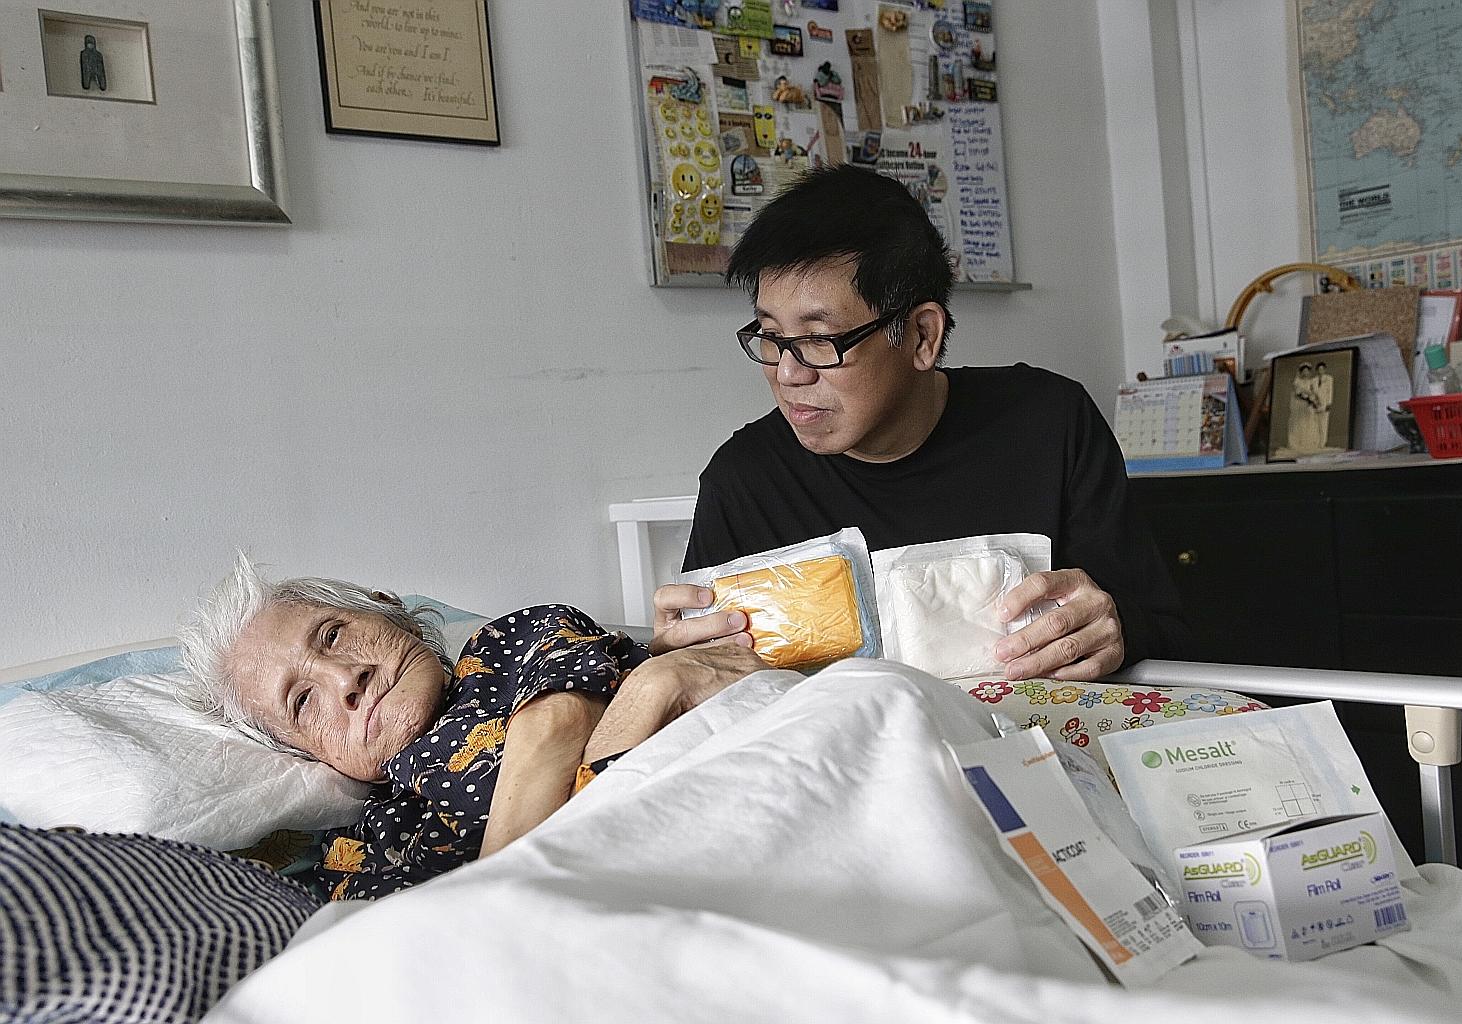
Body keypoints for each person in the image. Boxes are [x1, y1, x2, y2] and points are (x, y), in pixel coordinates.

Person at [650, 165, 1189, 681]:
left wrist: (1113, 628)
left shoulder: (1049, 423)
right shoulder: (746, 478)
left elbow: (1163, 630)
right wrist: (677, 658)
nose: (788, 373)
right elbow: (718, 676)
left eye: (819, 339)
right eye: (770, 336)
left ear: (922, 336)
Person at [178, 554, 766, 900]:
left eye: (332, 635)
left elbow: (558, 722)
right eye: (303, 702)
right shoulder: (368, 848)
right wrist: (648, 694)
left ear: (386, 609)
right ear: (299, 752)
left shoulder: (506, 644)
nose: (343, 680)